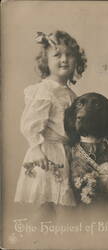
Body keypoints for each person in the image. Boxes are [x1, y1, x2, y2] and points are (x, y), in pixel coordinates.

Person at [14, 30, 87, 220]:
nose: (64, 59)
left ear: (77, 61)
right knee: (51, 206)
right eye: (57, 55)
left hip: (66, 152)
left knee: (58, 208)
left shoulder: (70, 94)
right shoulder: (44, 90)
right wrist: (36, 148)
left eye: (69, 55)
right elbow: (29, 123)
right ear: (46, 61)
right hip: (48, 153)